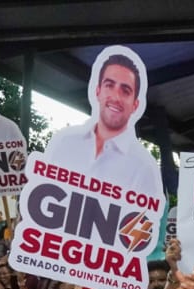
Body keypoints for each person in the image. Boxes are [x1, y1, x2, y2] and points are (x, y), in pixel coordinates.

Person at [41, 49, 163, 204]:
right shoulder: (64, 143)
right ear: (98, 91)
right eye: (109, 85)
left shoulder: (145, 167)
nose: (115, 97)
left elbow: (143, 226)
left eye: (125, 91)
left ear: (135, 104)